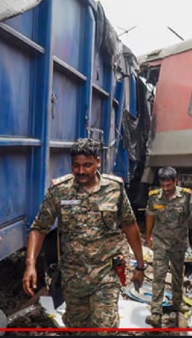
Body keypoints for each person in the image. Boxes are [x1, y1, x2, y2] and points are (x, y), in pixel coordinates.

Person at [22, 138, 145, 329]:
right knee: (77, 326)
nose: (81, 171)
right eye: (76, 166)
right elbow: (39, 228)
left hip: (106, 273)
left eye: (87, 165)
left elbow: (130, 226)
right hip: (73, 276)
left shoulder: (114, 189)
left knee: (105, 327)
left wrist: (140, 265)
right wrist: (30, 265)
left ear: (98, 162)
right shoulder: (59, 191)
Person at [144, 167, 192, 327]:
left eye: (168, 186)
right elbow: (150, 216)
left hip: (178, 243)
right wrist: (148, 236)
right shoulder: (154, 197)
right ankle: (156, 313)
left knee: (178, 275)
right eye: (163, 185)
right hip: (160, 242)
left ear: (175, 182)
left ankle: (177, 303)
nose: (165, 189)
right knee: (159, 276)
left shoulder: (185, 196)